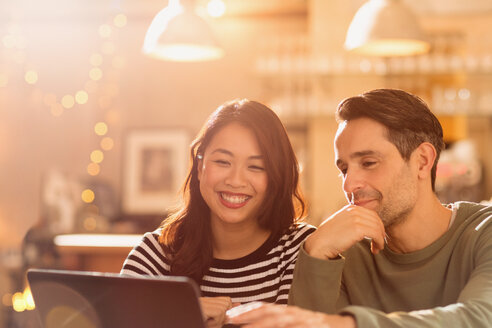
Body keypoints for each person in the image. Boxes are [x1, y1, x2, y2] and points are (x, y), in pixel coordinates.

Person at [228, 89, 492, 327]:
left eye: (368, 162)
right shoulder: (342, 254)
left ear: (422, 161)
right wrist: (315, 254)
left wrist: (344, 325)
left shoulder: (484, 232)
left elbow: (479, 318)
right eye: (343, 169)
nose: (350, 184)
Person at [120, 99, 315, 327]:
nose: (235, 180)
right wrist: (183, 315)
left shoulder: (300, 249)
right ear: (200, 166)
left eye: (256, 167)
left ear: (276, 177)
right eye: (223, 162)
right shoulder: (156, 254)